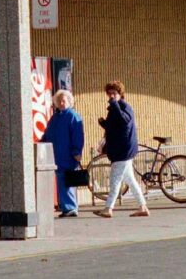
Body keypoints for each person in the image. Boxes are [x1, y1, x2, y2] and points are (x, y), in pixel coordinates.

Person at [93, 81, 150, 219]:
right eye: (109, 93)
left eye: (114, 93)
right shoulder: (115, 108)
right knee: (130, 180)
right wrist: (105, 124)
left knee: (115, 180)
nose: (112, 96)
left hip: (122, 151)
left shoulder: (125, 108)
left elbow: (124, 121)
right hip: (122, 150)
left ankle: (108, 208)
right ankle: (143, 206)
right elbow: (116, 127)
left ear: (120, 94)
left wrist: (114, 105)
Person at [43, 89, 84, 218]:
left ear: (69, 101)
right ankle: (67, 207)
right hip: (58, 154)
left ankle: (71, 207)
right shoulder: (55, 118)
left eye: (64, 100)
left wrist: (77, 151)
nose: (61, 103)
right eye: (59, 101)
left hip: (67, 154)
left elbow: (78, 135)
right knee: (62, 180)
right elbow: (48, 134)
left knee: (67, 180)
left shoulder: (72, 116)